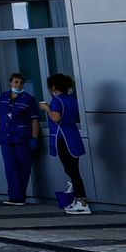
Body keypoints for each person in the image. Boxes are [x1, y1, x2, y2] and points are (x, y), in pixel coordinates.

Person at [0, 72, 42, 205]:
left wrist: (34, 137)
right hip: (6, 138)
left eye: (20, 82)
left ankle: (20, 197)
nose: (18, 85)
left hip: (22, 138)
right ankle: (13, 196)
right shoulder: (4, 96)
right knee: (10, 166)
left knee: (23, 166)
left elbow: (35, 119)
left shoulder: (29, 99)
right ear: (11, 83)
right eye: (16, 82)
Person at [45, 73, 90, 214]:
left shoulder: (56, 101)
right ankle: (77, 198)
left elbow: (56, 118)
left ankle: (82, 202)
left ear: (53, 87)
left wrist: (46, 108)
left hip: (63, 139)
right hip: (73, 136)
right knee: (73, 170)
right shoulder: (72, 99)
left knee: (72, 171)